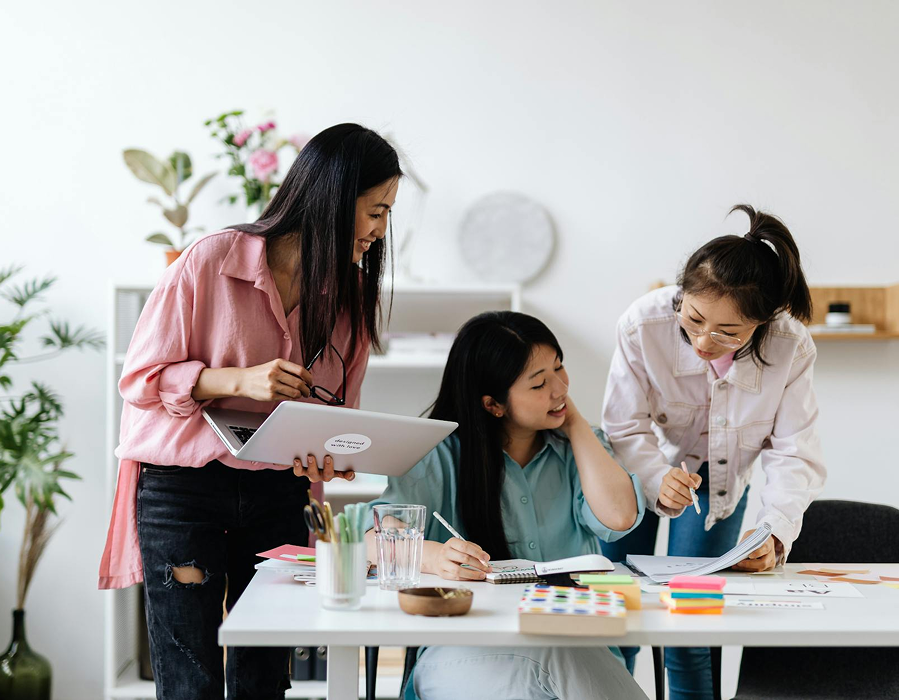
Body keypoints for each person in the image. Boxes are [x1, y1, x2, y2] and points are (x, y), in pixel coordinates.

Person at [98, 123, 401, 699]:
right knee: (190, 679)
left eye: (386, 213)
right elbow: (139, 379)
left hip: (276, 495)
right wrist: (239, 380)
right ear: (333, 198)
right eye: (375, 210)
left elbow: (338, 417)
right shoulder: (211, 260)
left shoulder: (352, 298)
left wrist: (330, 456)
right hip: (182, 491)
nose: (380, 230)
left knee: (264, 682)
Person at [600, 204, 826, 699]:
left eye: (729, 333)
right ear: (682, 292)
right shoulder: (643, 324)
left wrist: (774, 532)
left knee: (690, 629)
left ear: (762, 324)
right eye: (695, 318)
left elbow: (795, 453)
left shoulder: (792, 346)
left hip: (721, 486)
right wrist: (657, 476)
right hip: (629, 475)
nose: (705, 341)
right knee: (614, 621)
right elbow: (622, 424)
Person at [366, 311, 648, 700]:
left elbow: (619, 517)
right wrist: (432, 556)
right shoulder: (437, 454)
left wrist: (576, 424)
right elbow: (374, 537)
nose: (560, 388)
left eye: (560, 368)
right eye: (539, 384)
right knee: (555, 651)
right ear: (493, 404)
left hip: (580, 646)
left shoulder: (580, 450)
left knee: (557, 650)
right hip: (464, 651)